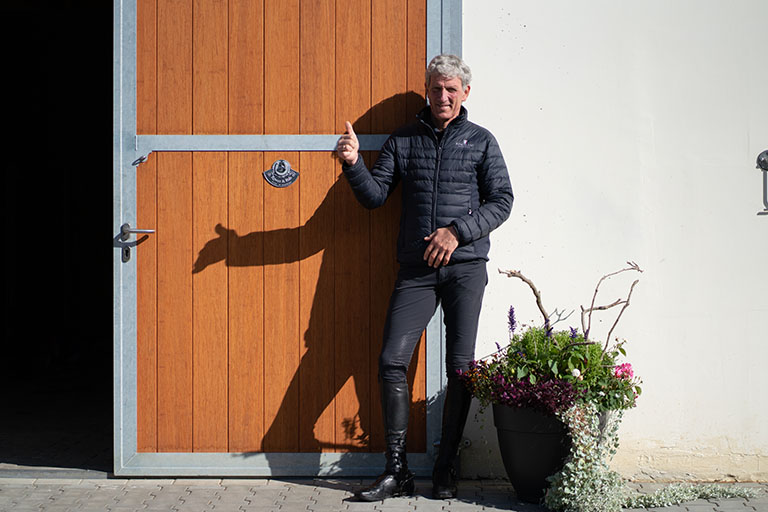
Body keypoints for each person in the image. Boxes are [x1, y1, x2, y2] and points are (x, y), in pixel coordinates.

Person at [336, 54, 513, 501]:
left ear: (465, 94)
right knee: (392, 361)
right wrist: (354, 163)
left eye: (452, 89)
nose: (444, 97)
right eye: (437, 89)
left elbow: (503, 201)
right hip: (417, 271)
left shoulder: (481, 141)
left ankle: (446, 465)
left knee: (460, 368)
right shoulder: (404, 140)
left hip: (466, 270)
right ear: (427, 91)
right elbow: (375, 198)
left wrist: (457, 233)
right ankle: (397, 471)